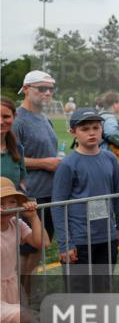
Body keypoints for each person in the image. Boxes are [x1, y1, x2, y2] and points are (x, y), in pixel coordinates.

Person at [51, 108, 119, 293]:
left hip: (106, 238)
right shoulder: (68, 165)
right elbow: (58, 205)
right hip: (80, 241)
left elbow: (118, 193)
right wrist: (65, 243)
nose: (92, 132)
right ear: (73, 132)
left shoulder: (110, 158)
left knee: (103, 289)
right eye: (85, 129)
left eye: (96, 127)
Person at [13, 70, 60, 294]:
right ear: (27, 88)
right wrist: (45, 163)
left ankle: (26, 298)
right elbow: (12, 158)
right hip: (29, 196)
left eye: (51, 89)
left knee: (38, 250)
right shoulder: (17, 120)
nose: (47, 93)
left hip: (49, 194)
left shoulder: (43, 117)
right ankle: (18, 301)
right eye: (42, 88)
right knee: (26, 251)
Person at [1, 177, 46, 323]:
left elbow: (42, 243)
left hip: (10, 287)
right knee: (21, 319)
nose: (7, 208)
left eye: (11, 202)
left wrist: (33, 216)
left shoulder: (15, 224)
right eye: (2, 203)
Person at [1, 98, 27, 190]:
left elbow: (22, 183)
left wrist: (26, 200)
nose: (1, 122)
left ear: (14, 116)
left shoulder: (18, 148)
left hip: (12, 205)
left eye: (6, 117)